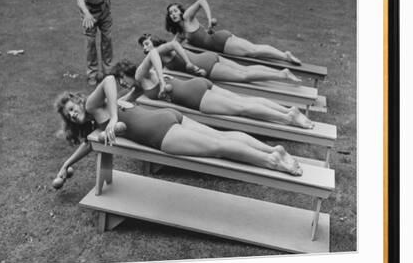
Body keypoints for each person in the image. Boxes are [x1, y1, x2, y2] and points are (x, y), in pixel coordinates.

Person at [52, 75, 303, 190]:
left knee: (219, 147)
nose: (74, 113)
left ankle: (271, 160)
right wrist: (66, 164)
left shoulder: (93, 106)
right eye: (70, 115)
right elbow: (89, 145)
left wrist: (114, 119)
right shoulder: (95, 124)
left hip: (160, 133)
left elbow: (108, 79)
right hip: (166, 118)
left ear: (78, 100)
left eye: (72, 108)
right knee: (221, 137)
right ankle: (274, 150)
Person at [110, 55, 314, 129]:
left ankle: (287, 117)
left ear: (125, 72)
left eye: (121, 79)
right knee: (244, 100)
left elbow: (154, 52)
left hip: (194, 97)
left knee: (242, 108)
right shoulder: (139, 85)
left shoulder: (139, 75)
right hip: (198, 84)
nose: (122, 83)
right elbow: (123, 100)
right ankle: (289, 111)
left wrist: (162, 82)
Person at [165, 0, 302, 65]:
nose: (174, 14)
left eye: (175, 10)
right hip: (219, 47)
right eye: (171, 13)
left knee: (253, 51)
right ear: (170, 17)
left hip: (220, 41)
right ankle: (284, 56)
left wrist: (209, 19)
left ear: (180, 11)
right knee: (253, 52)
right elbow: (171, 47)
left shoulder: (187, 17)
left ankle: (285, 56)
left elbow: (202, 0)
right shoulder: (180, 34)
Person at [138, 33, 301, 84]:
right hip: (209, 58)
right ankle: (281, 71)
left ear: (153, 41)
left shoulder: (160, 50)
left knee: (243, 76)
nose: (145, 48)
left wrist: (188, 63)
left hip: (206, 67)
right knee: (244, 69)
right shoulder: (158, 55)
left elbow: (175, 45)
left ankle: (281, 75)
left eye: (146, 44)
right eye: (143, 47)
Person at [77, 0, 115, 86]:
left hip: (104, 9)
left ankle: (108, 71)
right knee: (91, 42)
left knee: (107, 38)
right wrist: (87, 14)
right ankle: (92, 74)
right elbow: (80, 0)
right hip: (90, 12)